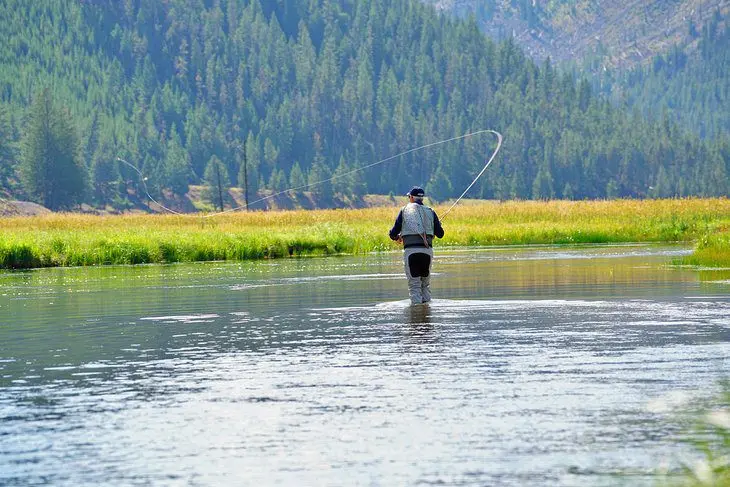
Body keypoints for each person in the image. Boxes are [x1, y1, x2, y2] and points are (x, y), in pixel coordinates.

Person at [389, 186, 444, 305]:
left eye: (409, 197)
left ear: (411, 198)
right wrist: (437, 225)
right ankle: (426, 316)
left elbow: (393, 232)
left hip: (411, 253)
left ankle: (416, 317)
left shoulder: (404, 210)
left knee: (414, 286)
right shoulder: (431, 211)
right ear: (421, 198)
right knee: (425, 285)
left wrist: (396, 237)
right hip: (427, 253)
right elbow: (440, 234)